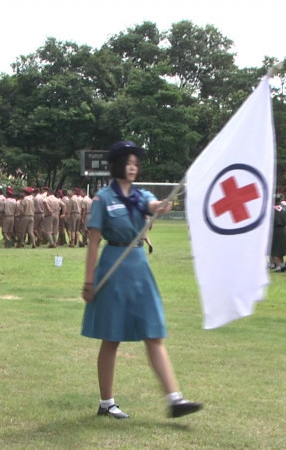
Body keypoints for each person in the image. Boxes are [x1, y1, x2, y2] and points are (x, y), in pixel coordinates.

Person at [81, 141, 202, 419]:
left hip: (138, 267)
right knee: (111, 337)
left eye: (136, 163)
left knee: (153, 331)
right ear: (117, 165)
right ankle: (106, 402)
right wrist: (88, 282)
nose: (133, 167)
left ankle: (174, 399)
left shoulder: (141, 195)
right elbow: (93, 242)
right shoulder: (103, 199)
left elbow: (153, 204)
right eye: (129, 162)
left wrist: (161, 205)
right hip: (113, 265)